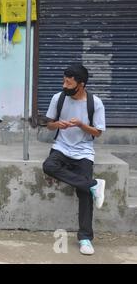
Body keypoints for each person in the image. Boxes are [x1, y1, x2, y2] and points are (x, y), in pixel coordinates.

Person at [42, 64, 106, 255]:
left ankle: (85, 238)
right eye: (64, 81)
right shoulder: (58, 98)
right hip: (61, 147)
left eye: (68, 83)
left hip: (84, 151)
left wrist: (81, 125)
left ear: (81, 84)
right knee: (49, 165)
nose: (64, 85)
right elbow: (49, 126)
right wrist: (57, 125)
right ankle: (94, 185)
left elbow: (98, 132)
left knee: (83, 192)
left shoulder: (95, 103)